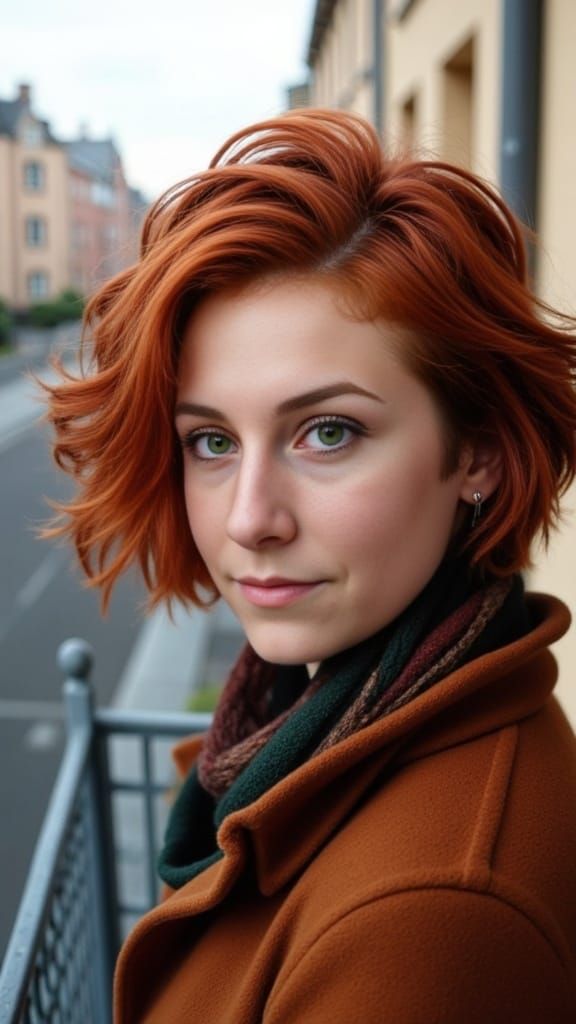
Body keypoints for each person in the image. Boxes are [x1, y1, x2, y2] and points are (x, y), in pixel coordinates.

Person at [45, 109, 576, 1022]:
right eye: (210, 440)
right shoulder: (316, 710)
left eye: (328, 432)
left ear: (478, 453)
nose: (250, 519)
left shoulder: (427, 924)